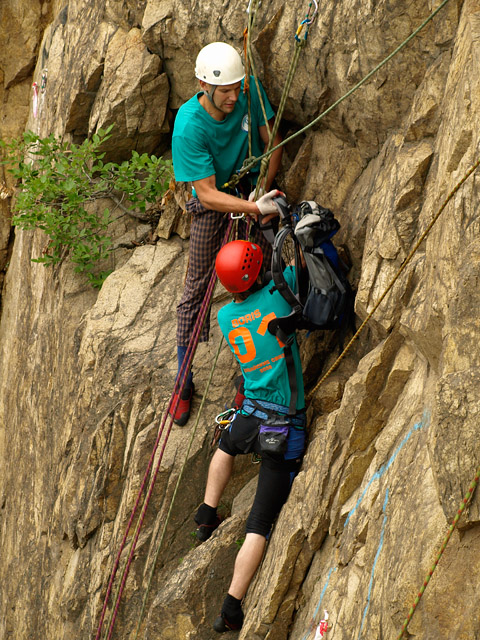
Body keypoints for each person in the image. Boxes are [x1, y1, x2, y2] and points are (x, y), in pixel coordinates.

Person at [193, 240, 306, 633]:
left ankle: (207, 514)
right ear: (258, 274)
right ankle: (231, 606)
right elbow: (300, 263)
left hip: (250, 412)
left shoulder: (225, 316)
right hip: (283, 425)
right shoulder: (279, 294)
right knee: (259, 523)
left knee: (226, 446)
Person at [170, 41, 283, 426]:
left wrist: (260, 188)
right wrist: (253, 207)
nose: (235, 97)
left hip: (249, 189)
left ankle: (250, 375)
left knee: (260, 277)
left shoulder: (248, 91)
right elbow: (206, 194)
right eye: (226, 91)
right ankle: (183, 381)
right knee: (197, 288)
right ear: (204, 85)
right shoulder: (188, 126)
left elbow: (274, 142)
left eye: (238, 88)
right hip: (213, 201)